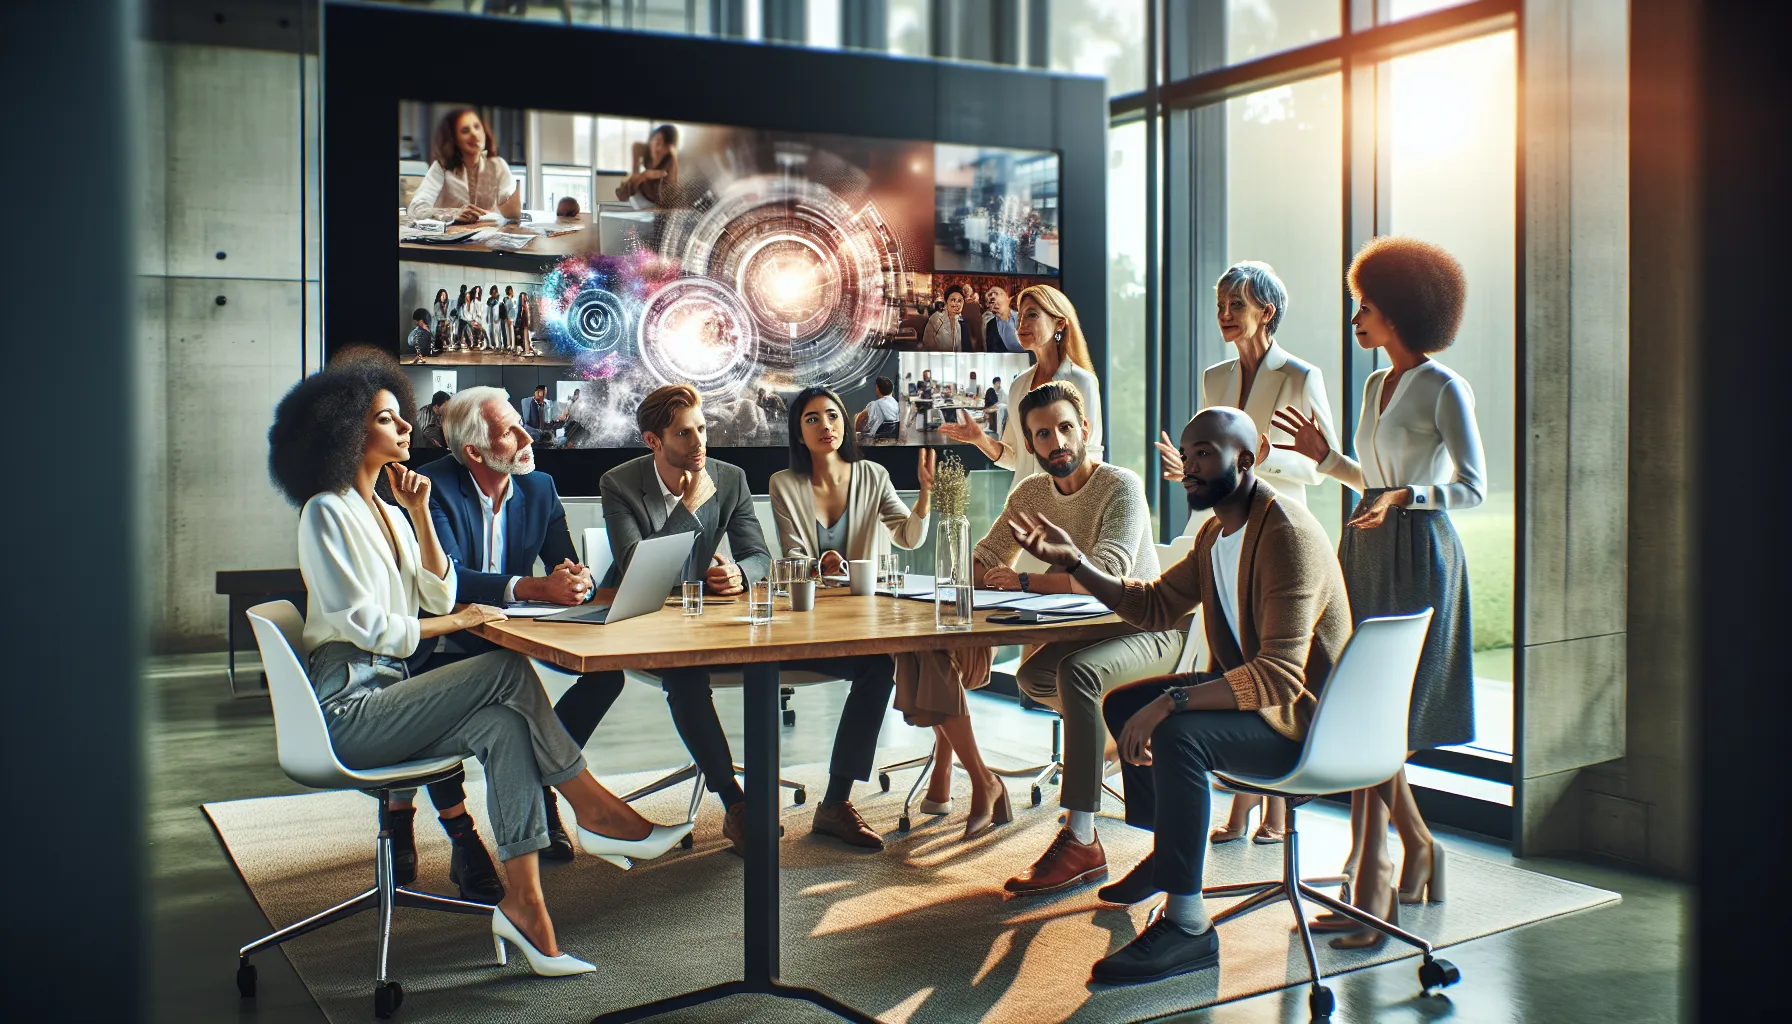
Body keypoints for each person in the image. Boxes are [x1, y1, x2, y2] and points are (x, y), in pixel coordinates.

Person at [269, 352, 689, 977]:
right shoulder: (325, 512)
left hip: (392, 690)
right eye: (388, 419)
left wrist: (418, 516)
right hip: (349, 704)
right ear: (348, 434)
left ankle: (526, 907)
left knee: (506, 726)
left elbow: (438, 592)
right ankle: (596, 810)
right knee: (505, 670)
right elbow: (373, 628)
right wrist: (462, 623)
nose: (408, 426)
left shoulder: (391, 510)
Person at [1002, 405, 1353, 984]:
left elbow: (1279, 677)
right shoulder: (1216, 533)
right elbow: (1153, 605)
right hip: (1262, 702)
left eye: (1204, 454)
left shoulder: (1284, 534)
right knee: (1123, 703)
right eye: (1186, 455)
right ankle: (1169, 855)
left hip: (1302, 722)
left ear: (1247, 459)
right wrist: (1077, 563)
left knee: (1176, 732)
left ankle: (1188, 927)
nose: (1188, 467)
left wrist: (1173, 702)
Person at [1272, 236, 1485, 945]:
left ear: (1400, 309)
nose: (1355, 317)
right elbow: (1371, 479)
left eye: (1365, 306)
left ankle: (1376, 876)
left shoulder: (1444, 387)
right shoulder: (1373, 386)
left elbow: (1473, 487)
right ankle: (1407, 852)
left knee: (1382, 714)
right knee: (1356, 706)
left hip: (1420, 555)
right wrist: (1325, 458)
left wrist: (1406, 498)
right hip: (1364, 548)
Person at [596, 384, 899, 852]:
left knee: (876, 663)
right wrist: (689, 505)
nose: (699, 442)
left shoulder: (730, 477)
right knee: (685, 676)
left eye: (702, 429)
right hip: (652, 625)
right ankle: (736, 804)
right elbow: (637, 566)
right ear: (653, 441)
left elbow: (759, 556)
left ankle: (836, 802)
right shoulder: (619, 483)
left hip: (722, 624)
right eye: (683, 434)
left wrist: (739, 573)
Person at [375, 386, 609, 889]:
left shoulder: (540, 486)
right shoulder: (430, 486)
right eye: (511, 431)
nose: (529, 437)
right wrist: (533, 587)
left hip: (512, 628)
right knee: (464, 690)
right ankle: (456, 834)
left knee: (605, 676)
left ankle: (546, 779)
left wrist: (577, 579)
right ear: (475, 452)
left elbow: (563, 560)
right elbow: (449, 580)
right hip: (443, 633)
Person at [1153, 261, 1343, 844]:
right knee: (1229, 653)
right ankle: (1240, 803)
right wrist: (1192, 469)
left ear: (1268, 311)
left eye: (1236, 304)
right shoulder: (1215, 377)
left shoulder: (1301, 376)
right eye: (1220, 304)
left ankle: (1274, 811)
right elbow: (1210, 451)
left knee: (1266, 658)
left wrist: (1260, 459)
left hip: (1277, 531)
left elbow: (1320, 465)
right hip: (1223, 527)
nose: (1225, 314)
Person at [972, 381, 1179, 897]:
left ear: (1084, 429)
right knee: (1033, 675)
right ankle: (1111, 736)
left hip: (1149, 627)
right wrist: (970, 569)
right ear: (1030, 443)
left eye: (1066, 427)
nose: (1057, 441)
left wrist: (1024, 580)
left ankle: (1081, 838)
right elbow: (990, 554)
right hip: (1093, 633)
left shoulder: (1120, 485)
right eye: (1043, 434)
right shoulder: (1031, 493)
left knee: (1076, 674)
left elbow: (1109, 571)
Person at [940, 284, 1104, 573]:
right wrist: (979, 439)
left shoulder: (1083, 382)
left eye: (1031, 315)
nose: (1020, 324)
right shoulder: (1018, 386)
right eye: (1020, 316)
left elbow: (1090, 459)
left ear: (1059, 324)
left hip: (1068, 522)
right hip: (1024, 519)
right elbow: (1016, 456)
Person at [407, 108, 523, 225]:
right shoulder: (441, 167)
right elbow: (415, 209)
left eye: (477, 127)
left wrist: (507, 212)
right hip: (450, 235)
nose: (474, 134)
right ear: (454, 139)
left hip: (488, 234)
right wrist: (453, 214)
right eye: (465, 131)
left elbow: (512, 214)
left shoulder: (498, 165)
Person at [616, 124, 680, 209]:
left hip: (655, 199)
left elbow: (671, 197)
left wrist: (673, 158)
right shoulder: (640, 148)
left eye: (665, 146)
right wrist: (645, 175)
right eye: (658, 141)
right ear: (651, 140)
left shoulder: (670, 160)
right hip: (639, 190)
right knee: (626, 186)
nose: (659, 148)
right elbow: (634, 181)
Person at [922, 284, 977, 352]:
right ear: (946, 302)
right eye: (953, 300)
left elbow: (967, 350)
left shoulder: (964, 323)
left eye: (959, 301)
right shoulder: (935, 319)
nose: (957, 304)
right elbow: (928, 345)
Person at [983, 284, 1021, 353]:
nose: (995, 304)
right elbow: (991, 351)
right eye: (991, 302)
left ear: (1007, 298)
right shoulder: (991, 324)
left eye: (996, 295)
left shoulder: (1021, 318)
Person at [516, 289, 536, 357]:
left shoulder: (524, 305)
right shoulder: (523, 306)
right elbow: (524, 312)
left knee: (525, 335)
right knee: (525, 335)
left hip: (525, 319)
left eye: (524, 297)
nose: (524, 298)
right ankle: (527, 351)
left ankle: (527, 350)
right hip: (524, 319)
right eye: (523, 297)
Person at [500, 286, 517, 351]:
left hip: (512, 317)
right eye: (510, 290)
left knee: (512, 332)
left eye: (511, 290)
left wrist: (512, 318)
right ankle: (508, 345)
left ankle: (513, 346)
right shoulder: (505, 299)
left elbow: (514, 309)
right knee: (507, 331)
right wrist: (506, 317)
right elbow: (505, 309)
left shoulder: (514, 299)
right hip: (507, 317)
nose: (511, 291)